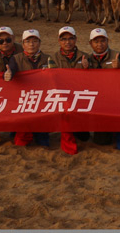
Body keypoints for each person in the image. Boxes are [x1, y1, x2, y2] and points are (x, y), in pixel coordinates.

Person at [84, 28, 120, 151]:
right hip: (100, 104)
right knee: (102, 142)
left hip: (118, 102)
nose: (99, 44)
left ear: (108, 41)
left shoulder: (119, 55)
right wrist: (84, 69)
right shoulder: (87, 59)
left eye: (103, 41)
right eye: (96, 41)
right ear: (90, 43)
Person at [4, 29, 51, 148]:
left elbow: (56, 77)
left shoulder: (48, 58)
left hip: (42, 100)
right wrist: (8, 74)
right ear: (23, 44)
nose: (31, 44)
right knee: (21, 139)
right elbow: (11, 70)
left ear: (39, 43)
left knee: (43, 141)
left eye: (35, 41)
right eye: (28, 41)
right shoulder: (16, 58)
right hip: (24, 100)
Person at [48, 26, 90, 155]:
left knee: (85, 136)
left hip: (81, 97)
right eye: (63, 39)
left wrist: (88, 69)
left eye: (70, 38)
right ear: (59, 41)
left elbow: (93, 81)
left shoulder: (86, 57)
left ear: (75, 39)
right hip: (63, 97)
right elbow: (53, 81)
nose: (67, 42)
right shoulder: (53, 58)